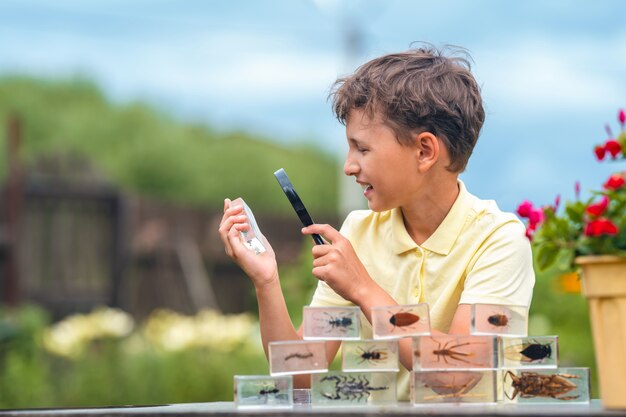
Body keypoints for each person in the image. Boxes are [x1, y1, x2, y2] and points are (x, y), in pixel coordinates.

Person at [218, 45, 535, 400]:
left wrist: (363, 289)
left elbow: (456, 372)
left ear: (425, 151)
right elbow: (299, 377)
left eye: (362, 149)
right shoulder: (359, 234)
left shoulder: (499, 240)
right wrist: (267, 280)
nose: (349, 166)